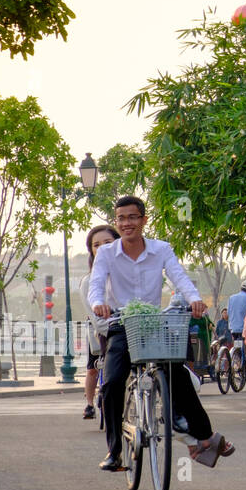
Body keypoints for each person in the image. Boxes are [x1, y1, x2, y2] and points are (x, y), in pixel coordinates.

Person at [89, 196, 233, 470]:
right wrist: (98, 303)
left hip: (154, 325)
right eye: (121, 218)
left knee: (177, 374)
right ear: (116, 221)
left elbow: (179, 277)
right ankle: (115, 451)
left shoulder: (161, 249)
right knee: (112, 382)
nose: (126, 223)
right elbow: (96, 283)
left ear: (144, 220)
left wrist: (194, 299)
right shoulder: (107, 254)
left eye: (132, 217)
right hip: (122, 325)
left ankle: (203, 434)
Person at [78, 225, 118, 420]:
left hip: (133, 331)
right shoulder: (89, 282)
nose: (102, 248)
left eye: (107, 243)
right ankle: (89, 403)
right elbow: (98, 321)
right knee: (93, 368)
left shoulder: (128, 273)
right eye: (96, 245)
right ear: (92, 251)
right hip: (104, 332)